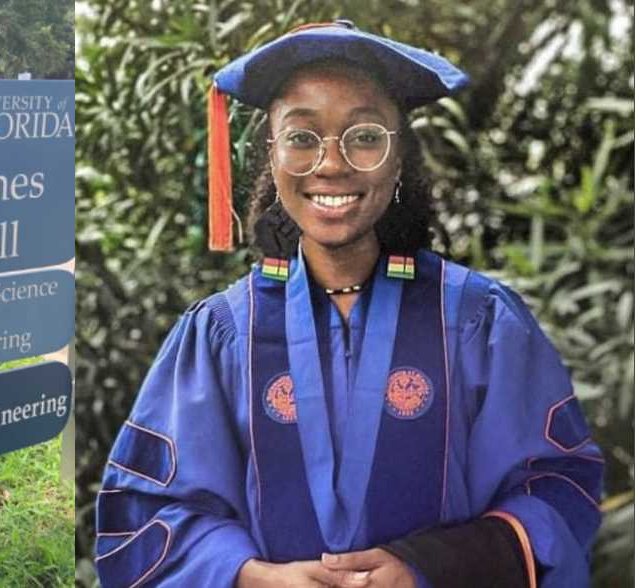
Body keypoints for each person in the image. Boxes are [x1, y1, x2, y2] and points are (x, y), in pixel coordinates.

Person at [94, 20, 602, 588]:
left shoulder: (476, 320)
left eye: (364, 136)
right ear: (274, 155)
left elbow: (558, 489)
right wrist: (248, 575)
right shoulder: (223, 333)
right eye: (302, 137)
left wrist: (428, 567)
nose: (331, 164)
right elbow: (146, 513)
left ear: (398, 157)